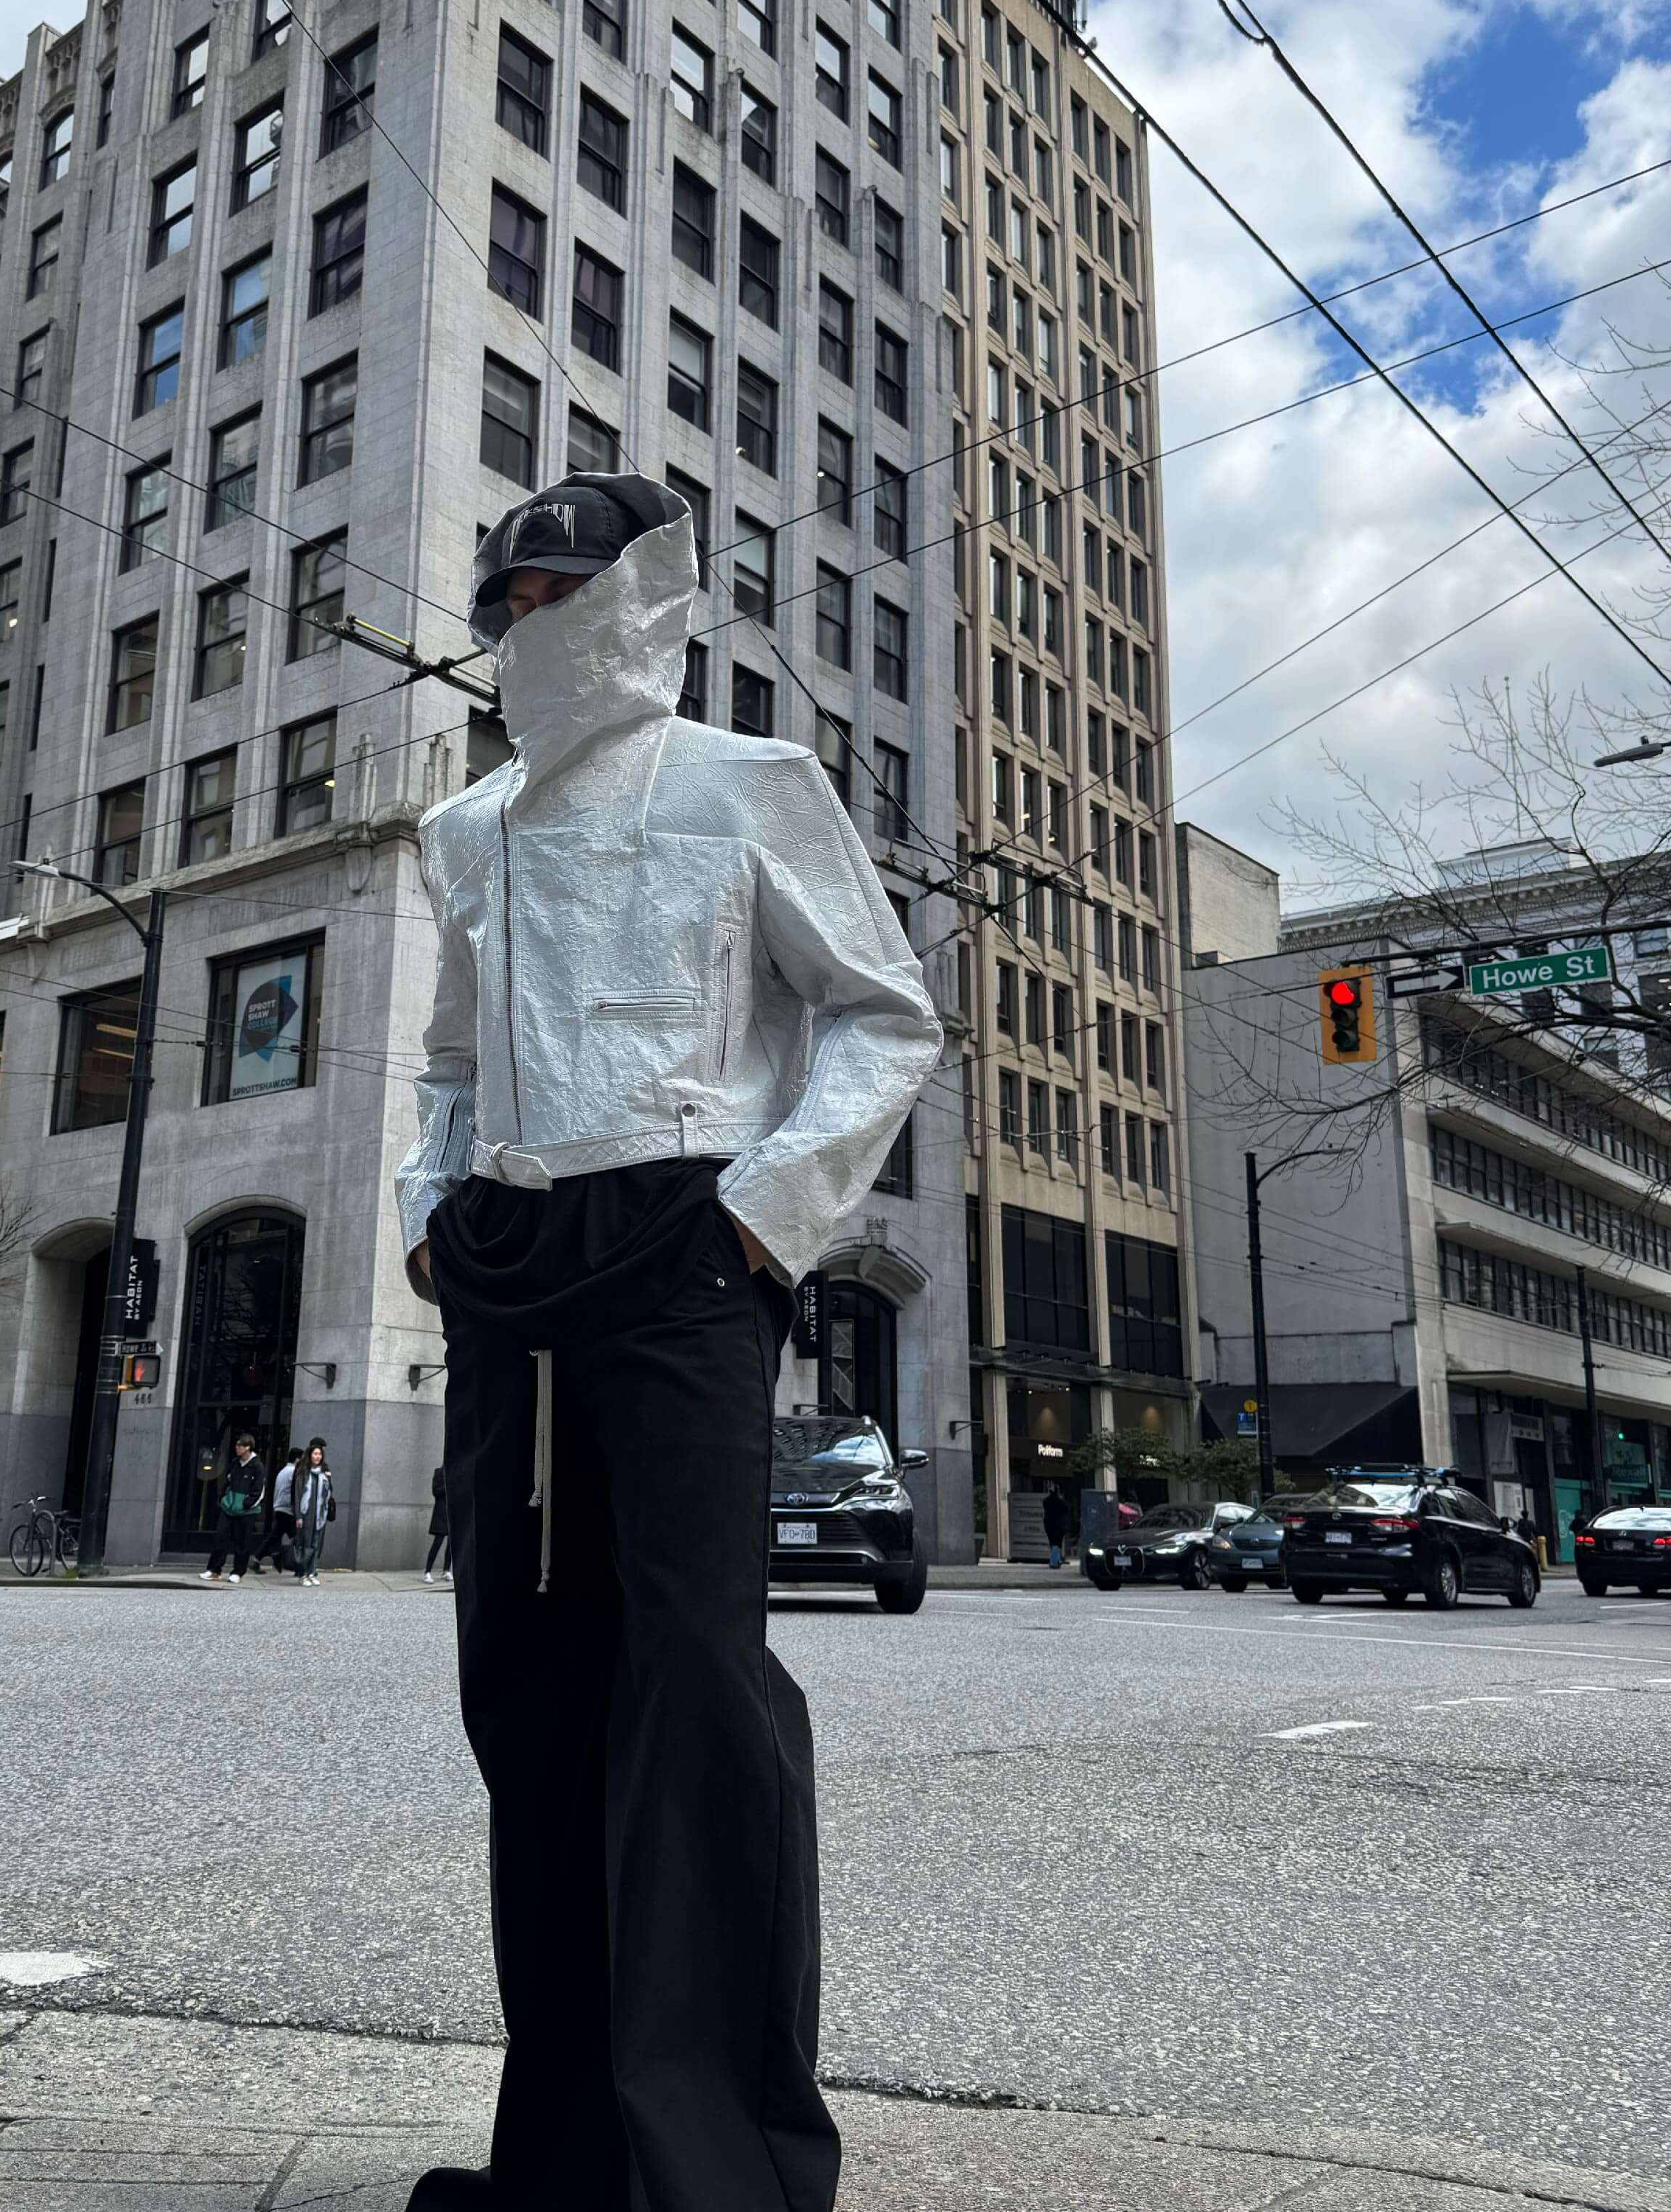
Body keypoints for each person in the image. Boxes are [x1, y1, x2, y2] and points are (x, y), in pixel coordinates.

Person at [396, 474, 941, 2212]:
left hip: (683, 1245)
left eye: (560, 584)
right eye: (503, 593)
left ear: (641, 593)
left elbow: (879, 1015)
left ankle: (719, 2168)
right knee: (528, 1694)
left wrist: (757, 1216)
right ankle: (556, 2159)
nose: (525, 618)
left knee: (692, 1690)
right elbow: (447, 1058)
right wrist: (427, 1207)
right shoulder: (462, 827)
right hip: (510, 1253)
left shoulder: (747, 783)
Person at [201, 1433, 265, 1585]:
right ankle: (214, 1569)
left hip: (246, 1511)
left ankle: (238, 1572)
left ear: (248, 1447)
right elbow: (227, 1482)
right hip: (229, 1508)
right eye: (237, 1445)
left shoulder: (257, 1466)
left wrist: (246, 1504)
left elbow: (259, 1490)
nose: (237, 1448)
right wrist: (224, 1499)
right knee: (220, 1537)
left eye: (240, 1446)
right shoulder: (235, 1463)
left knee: (242, 1542)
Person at [291, 1439, 334, 1587]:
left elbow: (329, 1493)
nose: (318, 1457)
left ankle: (312, 1571)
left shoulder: (324, 1472)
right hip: (306, 1513)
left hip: (320, 1514)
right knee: (305, 1543)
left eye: (320, 1454)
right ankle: (303, 1573)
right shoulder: (303, 1472)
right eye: (315, 1454)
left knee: (316, 1544)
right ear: (310, 1455)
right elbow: (297, 1495)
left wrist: (329, 1479)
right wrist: (298, 1515)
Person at [270, 1446, 300, 1574]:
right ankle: (293, 1562)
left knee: (275, 1535)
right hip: (286, 1509)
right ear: (298, 1459)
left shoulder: (284, 1471)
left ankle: (262, 1557)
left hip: (280, 1507)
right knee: (298, 1537)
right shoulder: (293, 1472)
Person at [425, 1462, 452, 1585]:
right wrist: (449, 1483)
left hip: (452, 1513)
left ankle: (446, 1570)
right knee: (437, 1543)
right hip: (441, 1514)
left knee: (451, 1545)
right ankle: (427, 1571)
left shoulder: (456, 1473)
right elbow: (436, 1492)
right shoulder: (439, 1473)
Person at [1043, 1483, 1069, 1571]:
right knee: (1057, 1543)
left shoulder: (1046, 1501)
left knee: (1053, 1543)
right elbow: (1066, 1509)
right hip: (1058, 1526)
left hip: (1049, 1525)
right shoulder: (1060, 1502)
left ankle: (1056, 1560)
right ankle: (1054, 1562)